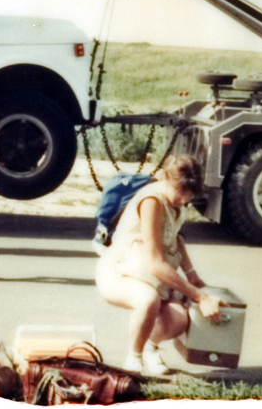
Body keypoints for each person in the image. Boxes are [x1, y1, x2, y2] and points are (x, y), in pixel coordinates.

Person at [95, 154, 226, 375]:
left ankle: (149, 347)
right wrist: (201, 297)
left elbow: (175, 237)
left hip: (148, 277)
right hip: (117, 273)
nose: (185, 199)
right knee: (148, 299)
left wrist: (191, 274)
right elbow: (156, 264)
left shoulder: (176, 202)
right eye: (181, 191)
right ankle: (133, 361)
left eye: (190, 194)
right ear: (165, 178)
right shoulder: (152, 201)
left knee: (178, 319)